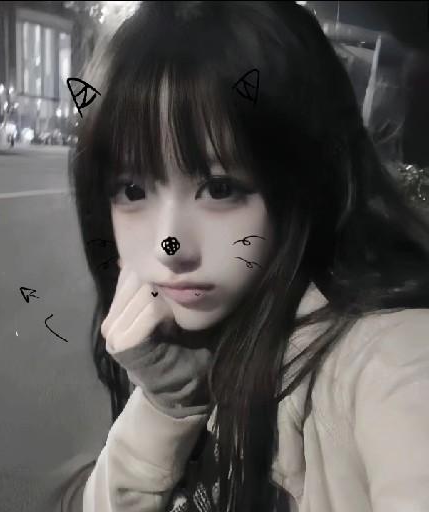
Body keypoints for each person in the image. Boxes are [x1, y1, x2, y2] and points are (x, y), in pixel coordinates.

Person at [64, 2, 429, 511]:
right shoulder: (193, 345)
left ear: (303, 182)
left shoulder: (384, 358)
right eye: (132, 190)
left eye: (219, 189)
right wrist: (167, 404)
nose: (170, 246)